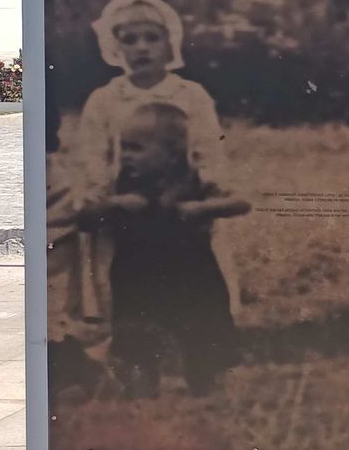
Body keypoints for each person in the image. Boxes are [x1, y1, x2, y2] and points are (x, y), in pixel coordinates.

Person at [78, 102, 250, 399]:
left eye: (136, 148)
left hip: (193, 272)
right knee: (136, 334)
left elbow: (241, 203)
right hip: (137, 273)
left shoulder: (196, 179)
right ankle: (141, 386)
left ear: (172, 152)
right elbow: (85, 218)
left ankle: (208, 381)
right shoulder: (118, 184)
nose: (126, 156)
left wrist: (202, 208)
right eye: (124, 148)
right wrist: (114, 205)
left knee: (205, 328)